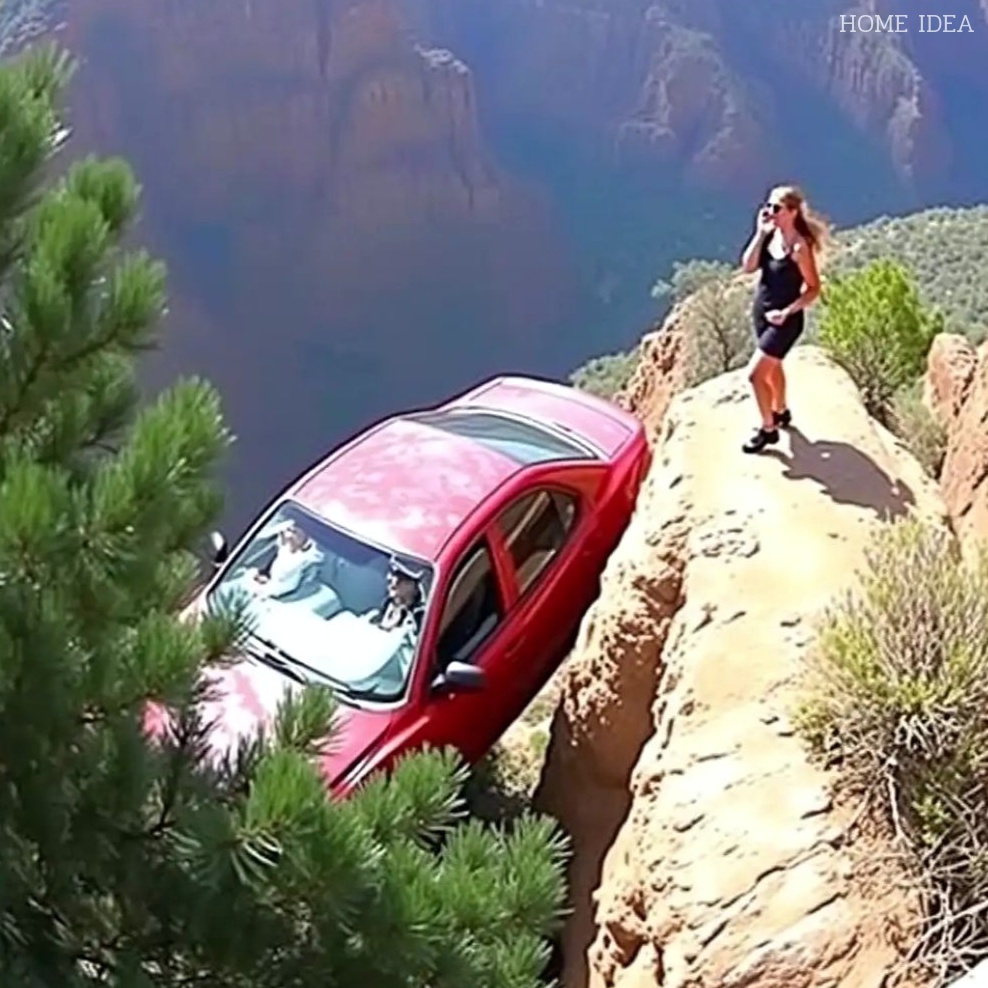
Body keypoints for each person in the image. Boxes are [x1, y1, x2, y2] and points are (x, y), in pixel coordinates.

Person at [739, 184, 829, 454]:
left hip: (785, 321)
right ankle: (780, 411)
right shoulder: (770, 237)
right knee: (773, 367)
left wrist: (787, 312)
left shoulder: (800, 247)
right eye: (768, 206)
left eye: (776, 208)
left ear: (792, 212)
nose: (770, 212)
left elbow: (813, 289)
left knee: (755, 376)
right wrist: (760, 233)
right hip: (762, 313)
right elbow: (748, 266)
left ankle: (768, 430)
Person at [248, 519, 323, 599]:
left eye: (257, 578)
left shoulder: (282, 541)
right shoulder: (315, 555)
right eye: (262, 581)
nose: (289, 535)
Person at [367, 558, 425, 634]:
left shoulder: (421, 622)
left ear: (416, 588)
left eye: (401, 578)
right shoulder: (376, 613)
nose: (390, 579)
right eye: (392, 574)